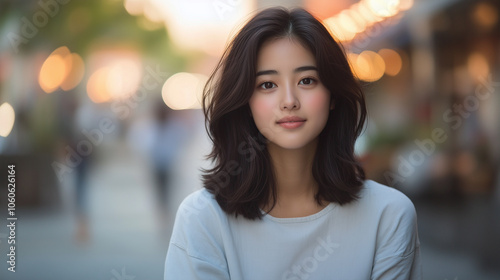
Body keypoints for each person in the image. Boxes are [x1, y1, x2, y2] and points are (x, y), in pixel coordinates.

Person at [164, 6, 421, 280]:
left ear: (333, 95)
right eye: (267, 85)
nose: (289, 100)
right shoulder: (203, 219)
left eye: (307, 80)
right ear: (245, 101)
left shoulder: (388, 215)